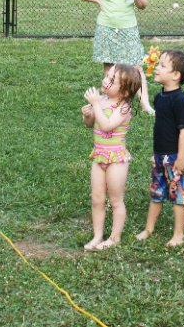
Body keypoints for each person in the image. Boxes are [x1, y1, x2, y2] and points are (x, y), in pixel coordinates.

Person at [76, 0, 153, 113]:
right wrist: (97, 0)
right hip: (107, 27)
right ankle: (109, 101)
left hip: (128, 27)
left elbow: (143, 6)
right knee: (110, 66)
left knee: (136, 65)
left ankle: (145, 104)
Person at [136, 50, 184, 247]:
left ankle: (179, 234)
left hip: (174, 156)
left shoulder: (179, 100)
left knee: (178, 194)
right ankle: (148, 229)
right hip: (160, 155)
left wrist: (181, 157)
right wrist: (155, 154)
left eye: (162, 66)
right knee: (156, 192)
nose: (157, 68)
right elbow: (158, 125)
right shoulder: (160, 97)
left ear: (176, 75)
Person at [81, 64, 142, 250]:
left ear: (124, 92)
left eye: (112, 80)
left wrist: (96, 105)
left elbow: (107, 125)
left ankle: (115, 238)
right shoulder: (102, 101)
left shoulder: (123, 108)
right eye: (107, 76)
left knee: (116, 200)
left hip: (116, 160)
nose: (106, 81)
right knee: (97, 198)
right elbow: (92, 124)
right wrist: (88, 115)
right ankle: (97, 235)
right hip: (99, 156)